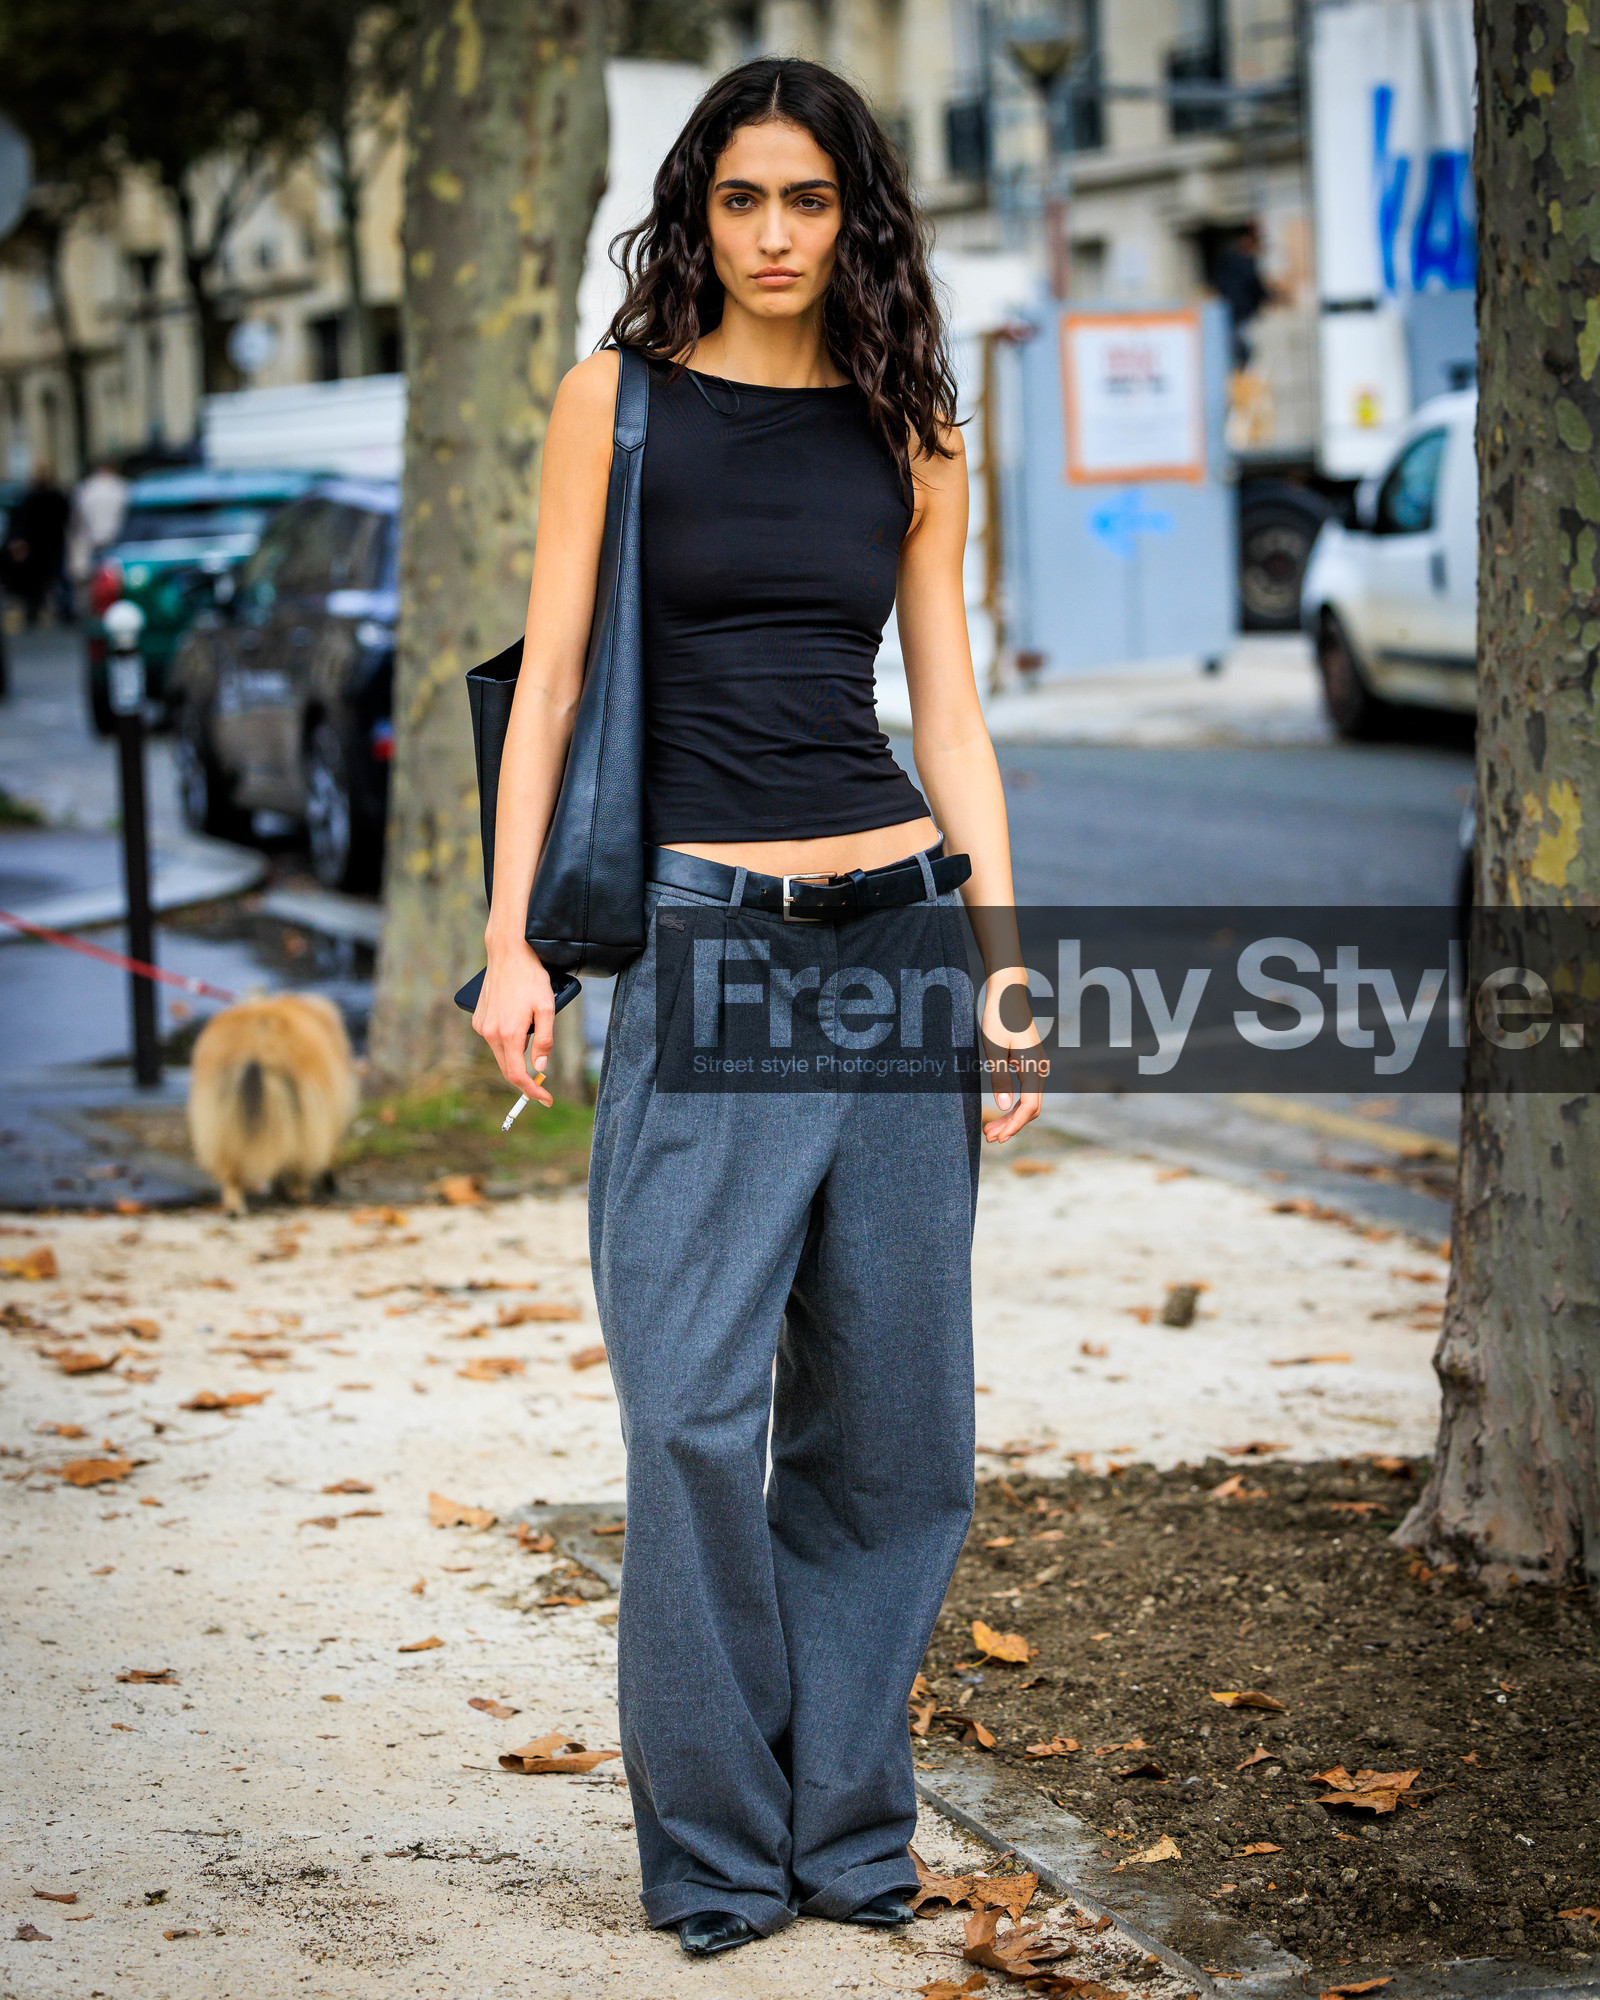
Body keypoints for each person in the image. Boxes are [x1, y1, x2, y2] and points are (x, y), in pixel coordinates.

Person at [472, 58, 1044, 1958]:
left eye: (809, 200)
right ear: (696, 211)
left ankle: (847, 1838)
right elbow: (548, 691)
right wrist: (510, 942)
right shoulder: (613, 407)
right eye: (742, 200)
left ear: (855, 211)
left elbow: (947, 709)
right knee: (694, 1418)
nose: (778, 234)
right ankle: (717, 1854)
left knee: (895, 1439)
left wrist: (1006, 956)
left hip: (893, 946)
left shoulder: (914, 422)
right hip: (709, 954)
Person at [4, 464, 71, 624]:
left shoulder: (30, 498)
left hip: (38, 545)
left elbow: (21, 521)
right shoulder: (56, 496)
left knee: (37, 583)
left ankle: (34, 613)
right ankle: (65, 611)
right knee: (58, 579)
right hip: (54, 542)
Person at [68, 460, 130, 586]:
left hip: (93, 545)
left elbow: (76, 523)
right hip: (118, 543)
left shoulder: (85, 489)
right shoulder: (122, 487)